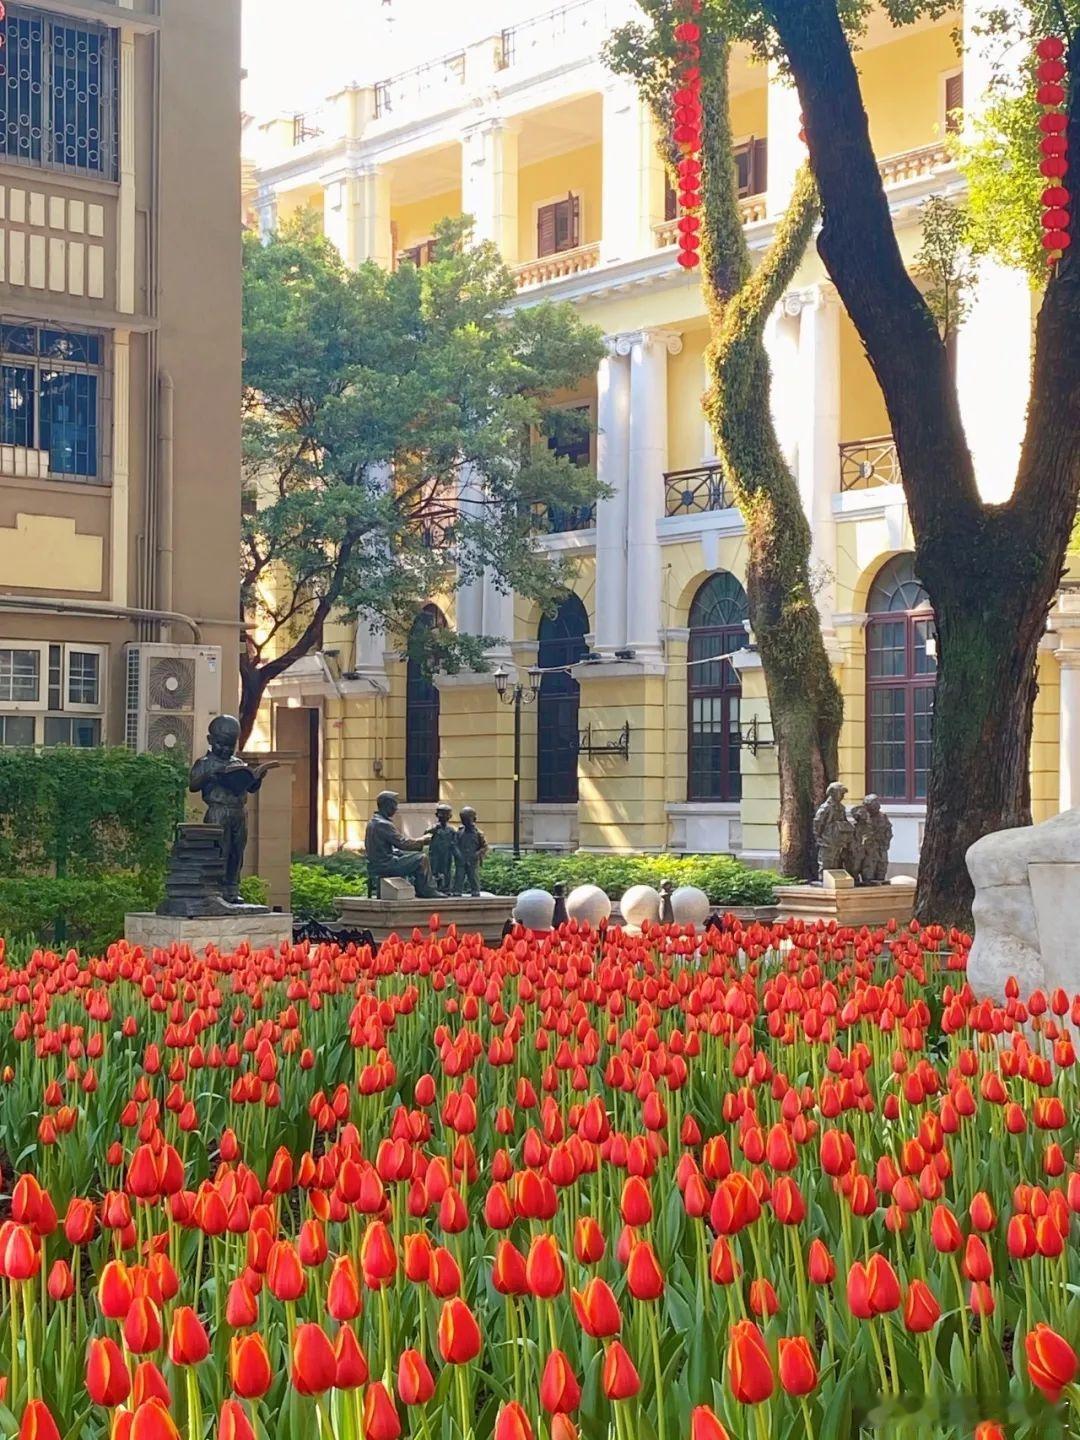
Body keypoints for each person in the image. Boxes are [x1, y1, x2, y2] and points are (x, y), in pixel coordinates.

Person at [188, 716, 279, 902]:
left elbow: (250, 788)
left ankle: (232, 889)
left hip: (238, 811)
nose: (226, 750)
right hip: (218, 811)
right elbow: (193, 785)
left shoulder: (237, 762)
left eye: (230, 746)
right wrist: (209, 775)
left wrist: (257, 778)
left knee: (237, 852)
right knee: (220, 849)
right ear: (210, 740)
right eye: (221, 744)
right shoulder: (205, 762)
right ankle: (215, 889)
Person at [364, 791, 443, 899]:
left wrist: (400, 853)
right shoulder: (383, 824)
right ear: (387, 805)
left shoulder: (373, 822)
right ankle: (428, 890)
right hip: (385, 865)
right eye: (394, 804)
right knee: (421, 858)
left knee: (411, 855)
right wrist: (423, 840)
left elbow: (386, 847)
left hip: (377, 863)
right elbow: (403, 843)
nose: (396, 808)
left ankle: (422, 888)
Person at [812, 781, 855, 881]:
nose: (843, 796)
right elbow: (818, 823)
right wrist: (818, 837)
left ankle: (834, 879)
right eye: (841, 793)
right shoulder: (826, 808)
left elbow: (844, 820)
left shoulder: (841, 808)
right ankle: (823, 879)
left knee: (836, 861)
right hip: (827, 840)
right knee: (826, 860)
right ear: (833, 793)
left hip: (838, 840)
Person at [853, 794, 893, 885]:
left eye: (877, 803)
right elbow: (858, 832)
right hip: (869, 846)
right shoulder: (863, 817)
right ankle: (868, 880)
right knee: (869, 864)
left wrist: (886, 840)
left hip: (882, 844)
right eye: (874, 804)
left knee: (883, 863)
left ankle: (880, 878)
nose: (877, 806)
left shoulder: (883, 816)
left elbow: (888, 829)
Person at [454, 806, 489, 897]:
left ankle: (475, 890)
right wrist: (458, 854)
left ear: (474, 819)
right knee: (459, 876)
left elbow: (484, 847)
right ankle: (457, 890)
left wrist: (477, 854)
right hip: (461, 860)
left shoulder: (478, 833)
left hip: (472, 859)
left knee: (473, 876)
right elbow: (454, 844)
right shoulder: (459, 833)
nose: (464, 821)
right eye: (463, 819)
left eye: (467, 819)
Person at [427, 803, 460, 894]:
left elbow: (455, 843)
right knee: (434, 870)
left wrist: (456, 853)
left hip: (447, 854)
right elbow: (425, 836)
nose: (444, 816)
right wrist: (432, 829)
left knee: (446, 871)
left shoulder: (451, 830)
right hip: (435, 854)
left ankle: (446, 888)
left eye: (446, 814)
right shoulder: (434, 828)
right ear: (437, 815)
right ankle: (433, 888)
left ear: (450, 816)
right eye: (442, 814)